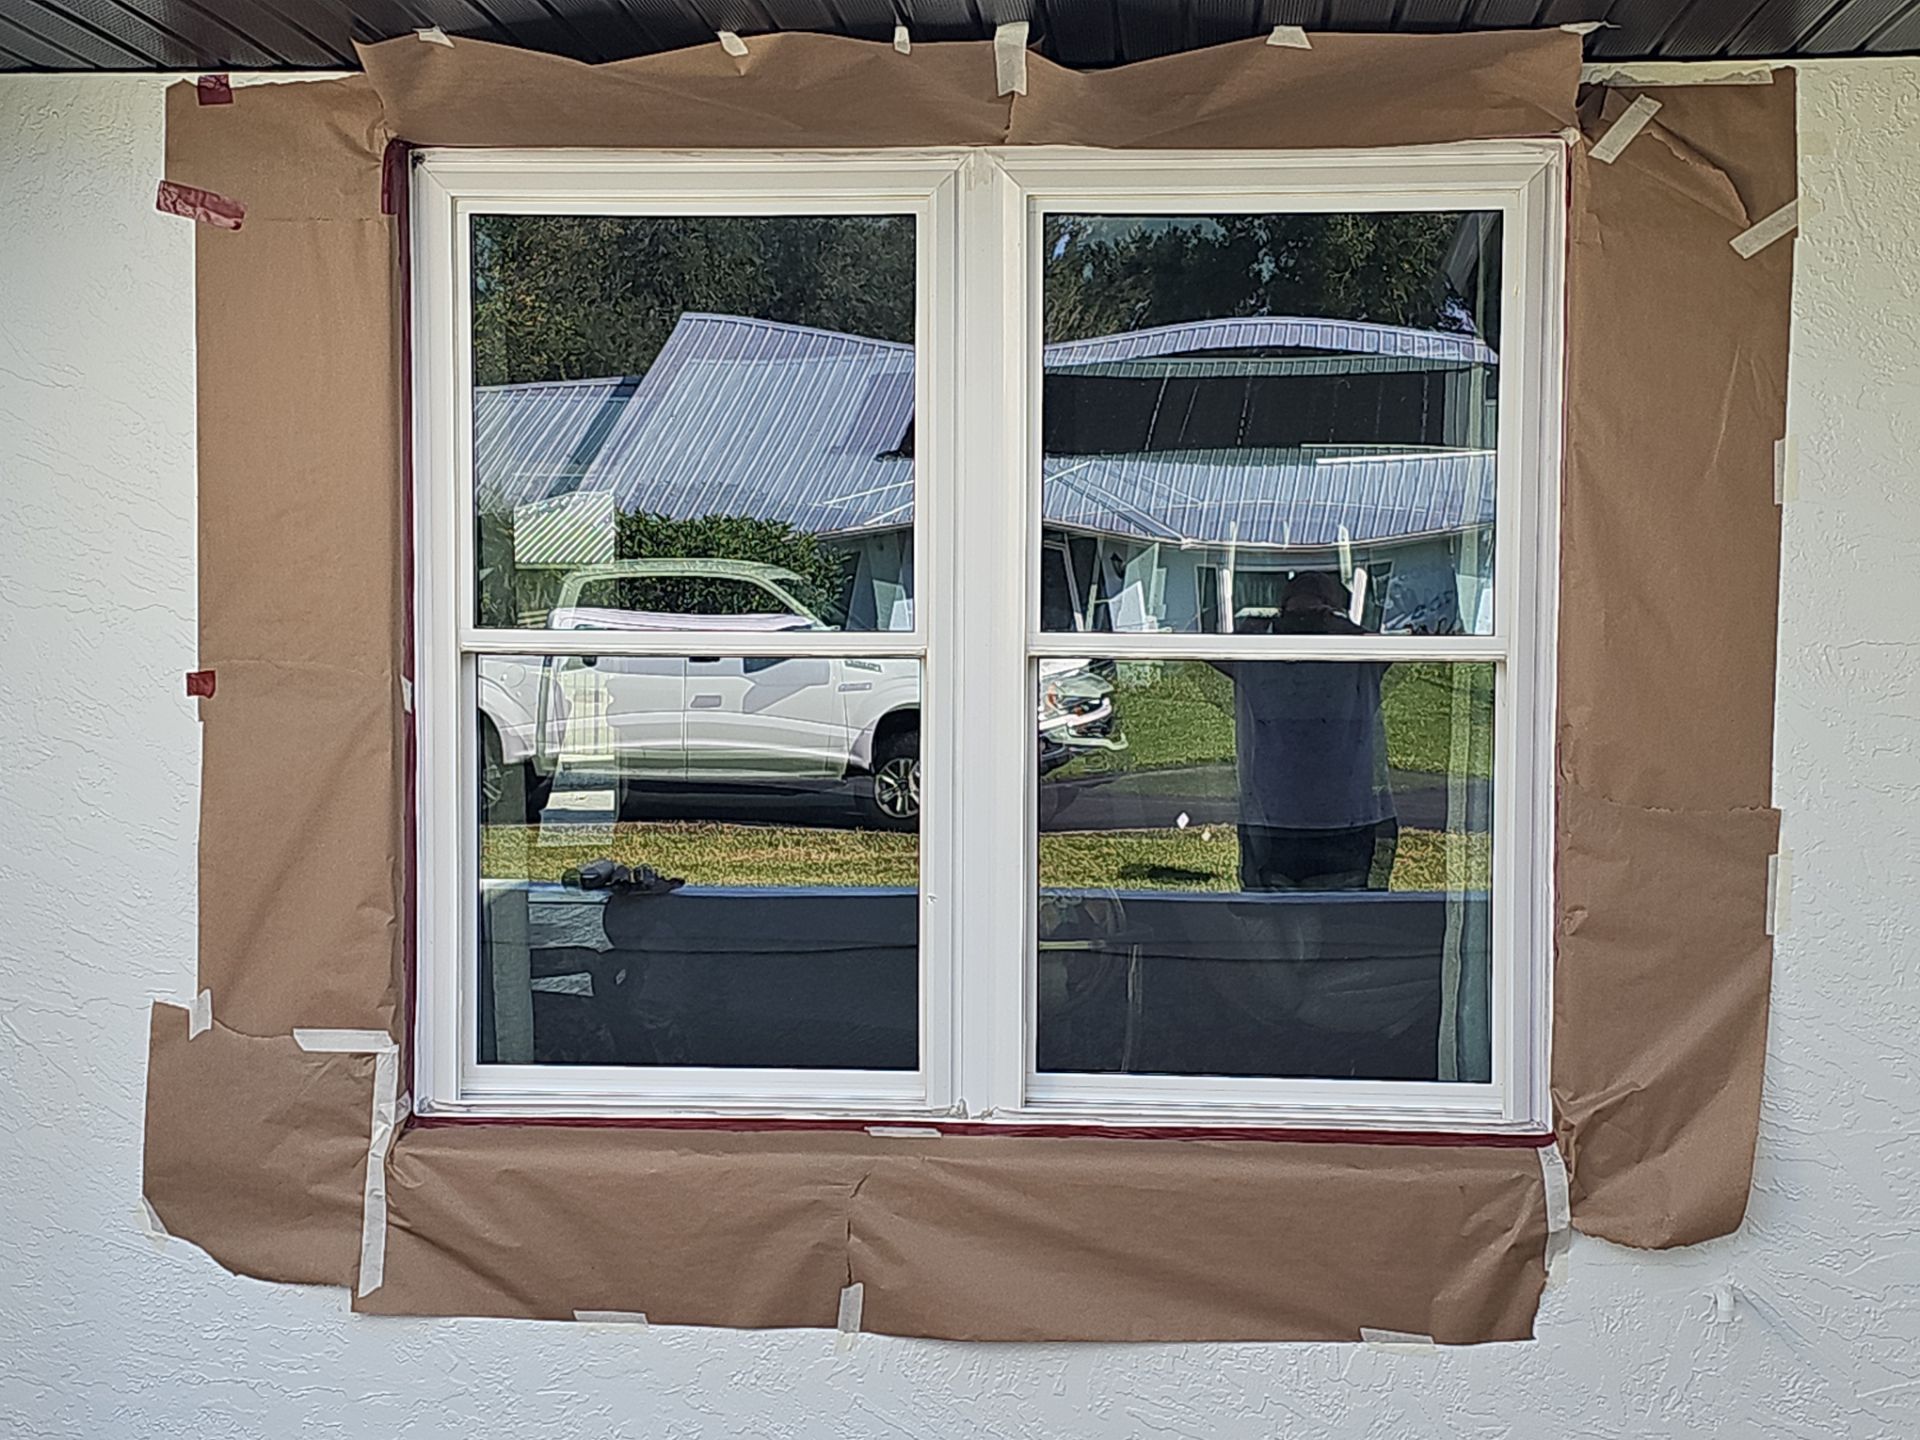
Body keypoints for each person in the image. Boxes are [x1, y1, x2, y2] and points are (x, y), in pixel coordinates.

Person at [1216, 571, 1397, 890]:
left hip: (1302, 816)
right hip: (1311, 817)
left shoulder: (1258, 654)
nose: (1305, 623)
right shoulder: (1357, 653)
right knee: (1342, 909)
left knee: (1289, 906)